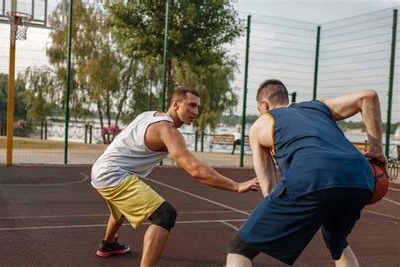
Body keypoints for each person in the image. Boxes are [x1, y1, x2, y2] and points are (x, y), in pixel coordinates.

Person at [91, 87, 260, 267]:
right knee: (164, 214)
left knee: (123, 205)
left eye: (197, 107)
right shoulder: (168, 131)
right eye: (191, 106)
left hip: (103, 169)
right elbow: (195, 170)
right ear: (176, 104)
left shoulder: (150, 115)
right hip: (112, 174)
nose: (195, 112)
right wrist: (236, 185)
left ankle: (108, 244)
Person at [226, 79, 388, 267]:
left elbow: (269, 190)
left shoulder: (261, 123)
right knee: (338, 244)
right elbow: (368, 97)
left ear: (264, 105)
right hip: (361, 175)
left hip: (312, 173)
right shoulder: (317, 106)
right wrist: (377, 150)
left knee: (239, 248)